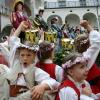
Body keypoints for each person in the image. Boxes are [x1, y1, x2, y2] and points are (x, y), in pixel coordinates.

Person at [5, 21, 60, 100]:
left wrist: (42, 86)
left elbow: (53, 82)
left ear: (34, 57)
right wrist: (20, 26)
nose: (25, 58)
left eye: (28, 55)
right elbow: (13, 41)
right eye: (22, 55)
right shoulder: (15, 63)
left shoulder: (35, 70)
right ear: (19, 55)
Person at [74, 20, 100, 94]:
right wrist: (87, 26)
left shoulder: (71, 60)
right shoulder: (87, 57)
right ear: (89, 45)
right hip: (90, 90)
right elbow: (97, 42)